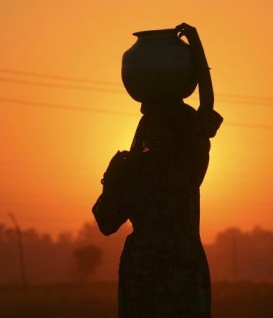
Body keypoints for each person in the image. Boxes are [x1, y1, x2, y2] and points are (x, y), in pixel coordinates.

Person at [92, 22, 222, 318]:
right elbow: (106, 221)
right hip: (173, 272)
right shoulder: (179, 167)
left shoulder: (176, 167)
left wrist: (197, 43)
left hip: (152, 273)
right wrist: (111, 180)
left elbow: (207, 107)